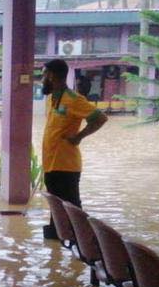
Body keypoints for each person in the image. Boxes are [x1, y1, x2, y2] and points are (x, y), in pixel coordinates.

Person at [40, 59, 108, 240]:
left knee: (73, 208)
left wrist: (79, 137)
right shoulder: (51, 99)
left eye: (44, 74)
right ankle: (57, 246)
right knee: (56, 207)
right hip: (51, 163)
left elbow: (100, 118)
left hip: (67, 165)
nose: (42, 79)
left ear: (52, 76)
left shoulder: (74, 99)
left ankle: (85, 245)